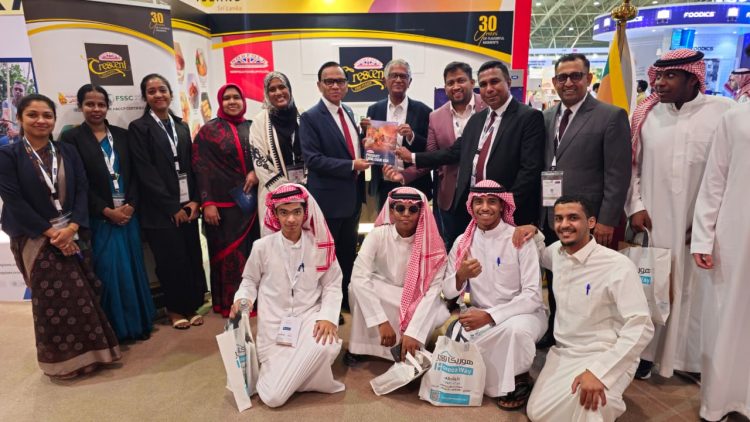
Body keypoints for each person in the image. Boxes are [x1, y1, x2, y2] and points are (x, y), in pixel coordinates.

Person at [626, 49, 736, 379]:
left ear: (693, 79)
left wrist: (710, 223)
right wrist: (636, 206)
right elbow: (632, 167)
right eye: (658, 76)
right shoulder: (647, 116)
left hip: (703, 227)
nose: (660, 83)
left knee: (698, 292)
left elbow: (731, 173)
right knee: (651, 286)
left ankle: (693, 360)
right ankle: (647, 353)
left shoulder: (724, 113)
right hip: (655, 223)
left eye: (670, 76)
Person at [0, 94, 121, 378]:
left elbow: (81, 189)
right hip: (35, 237)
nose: (41, 120)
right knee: (52, 300)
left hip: (73, 232)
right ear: (20, 118)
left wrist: (72, 228)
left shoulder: (67, 151)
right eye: (32, 115)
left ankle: (94, 355)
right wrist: (53, 233)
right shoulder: (8, 155)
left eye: (47, 115)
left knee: (84, 294)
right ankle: (62, 363)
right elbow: (14, 201)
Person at [516, 196, 653, 422]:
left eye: (573, 218)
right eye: (559, 218)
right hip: (565, 352)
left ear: (591, 222)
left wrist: (600, 372)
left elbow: (642, 325)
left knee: (589, 405)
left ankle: (608, 396)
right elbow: (538, 253)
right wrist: (534, 231)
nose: (564, 224)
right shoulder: (556, 252)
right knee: (538, 413)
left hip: (607, 352)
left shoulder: (617, 265)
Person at [537, 53, 631, 348]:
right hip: (552, 214)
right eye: (562, 77)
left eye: (575, 76)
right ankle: (557, 328)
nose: (568, 82)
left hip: (588, 219)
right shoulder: (546, 117)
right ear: (555, 81)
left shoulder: (610, 116)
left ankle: (589, 335)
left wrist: (606, 220)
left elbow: (618, 174)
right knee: (557, 275)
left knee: (589, 280)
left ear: (589, 79)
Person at [230, 183, 344, 408]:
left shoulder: (319, 244)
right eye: (284, 212)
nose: (291, 219)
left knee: (326, 345)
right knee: (274, 398)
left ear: (305, 212)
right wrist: (243, 299)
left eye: (296, 212)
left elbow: (332, 283)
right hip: (274, 323)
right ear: (275, 214)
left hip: (308, 317)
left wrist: (328, 316)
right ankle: (294, 379)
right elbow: (250, 281)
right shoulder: (262, 246)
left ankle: (288, 376)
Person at [392, 60, 545, 227]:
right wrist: (412, 157)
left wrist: (507, 205)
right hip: (472, 205)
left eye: (494, 81)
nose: (489, 89)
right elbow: (454, 152)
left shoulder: (529, 117)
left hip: (507, 211)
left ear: (508, 82)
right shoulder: (478, 119)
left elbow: (530, 170)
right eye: (484, 84)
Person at [60, 84, 155, 341]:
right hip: (100, 218)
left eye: (101, 104)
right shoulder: (71, 138)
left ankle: (140, 324)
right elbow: (78, 183)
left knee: (134, 268)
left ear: (107, 106)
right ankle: (117, 329)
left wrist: (131, 205)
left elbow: (136, 174)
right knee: (109, 272)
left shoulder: (123, 135)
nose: (96, 109)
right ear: (80, 106)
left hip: (128, 215)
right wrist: (105, 210)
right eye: (90, 104)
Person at [442, 180, 547, 410]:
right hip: (479, 315)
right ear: (471, 206)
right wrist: (460, 276)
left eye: (491, 201)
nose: (484, 207)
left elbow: (532, 297)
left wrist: (490, 316)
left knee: (515, 332)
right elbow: (448, 291)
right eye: (478, 202)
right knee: (457, 337)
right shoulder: (462, 242)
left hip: (523, 315)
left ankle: (518, 377)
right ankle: (501, 377)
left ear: (502, 206)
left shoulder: (519, 239)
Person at [129, 74, 207, 330]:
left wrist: (195, 201)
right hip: (160, 211)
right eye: (151, 91)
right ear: (145, 97)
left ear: (171, 94)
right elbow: (145, 172)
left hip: (188, 207)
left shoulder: (181, 126)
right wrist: (171, 207)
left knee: (191, 257)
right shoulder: (139, 128)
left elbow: (192, 167)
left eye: (162, 90)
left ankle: (192, 305)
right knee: (169, 262)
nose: (158, 95)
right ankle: (174, 309)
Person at [691, 104, 750, 422]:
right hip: (737, 236)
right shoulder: (736, 117)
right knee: (727, 318)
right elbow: (714, 180)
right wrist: (703, 237)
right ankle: (722, 402)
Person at [347, 187, 448, 364]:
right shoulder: (377, 235)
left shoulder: (434, 245)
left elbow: (433, 291)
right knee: (356, 288)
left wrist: (413, 332)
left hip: (416, 297)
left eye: (413, 209)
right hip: (382, 289)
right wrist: (381, 321)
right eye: (400, 208)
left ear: (421, 212)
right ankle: (360, 349)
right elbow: (358, 276)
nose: (406, 214)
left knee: (436, 310)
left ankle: (408, 345)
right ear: (392, 211)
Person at [300, 61, 369, 313]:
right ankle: (328, 307)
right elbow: (313, 159)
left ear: (347, 85)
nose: (335, 86)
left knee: (348, 252)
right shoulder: (310, 117)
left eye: (340, 81)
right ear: (319, 85)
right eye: (329, 81)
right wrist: (351, 165)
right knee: (326, 256)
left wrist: (367, 137)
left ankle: (344, 298)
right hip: (328, 200)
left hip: (352, 198)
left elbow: (351, 147)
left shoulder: (348, 111)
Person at [192, 83, 260, 318]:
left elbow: (263, 157)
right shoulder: (208, 131)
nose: (232, 102)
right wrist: (207, 203)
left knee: (253, 253)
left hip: (251, 205)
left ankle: (253, 302)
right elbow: (200, 168)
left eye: (236, 97)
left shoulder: (253, 127)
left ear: (243, 101)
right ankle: (229, 303)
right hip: (222, 208)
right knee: (229, 257)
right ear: (220, 102)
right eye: (227, 98)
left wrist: (256, 172)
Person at [426, 62, 486, 248]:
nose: (456, 86)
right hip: (451, 198)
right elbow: (432, 155)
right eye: (450, 83)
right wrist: (404, 172)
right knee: (454, 247)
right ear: (445, 87)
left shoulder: (488, 108)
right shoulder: (435, 116)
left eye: (461, 80)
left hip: (486, 195)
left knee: (488, 247)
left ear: (472, 82)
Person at [360, 59, 432, 209]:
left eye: (403, 76)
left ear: (409, 81)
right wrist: (365, 136)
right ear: (385, 80)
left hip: (415, 183)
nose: (398, 80)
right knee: (386, 223)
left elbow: (430, 148)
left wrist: (412, 136)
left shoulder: (424, 111)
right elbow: (369, 146)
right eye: (393, 75)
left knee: (417, 223)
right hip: (383, 183)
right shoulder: (374, 109)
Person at [250, 71, 305, 218]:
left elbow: (313, 151)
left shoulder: (303, 116)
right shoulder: (259, 122)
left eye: (282, 87)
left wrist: (304, 185)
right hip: (273, 195)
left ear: (289, 89)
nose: (278, 92)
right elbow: (259, 160)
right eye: (272, 89)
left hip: (305, 193)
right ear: (267, 94)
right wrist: (286, 191)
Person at [1, 81, 25, 145]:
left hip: (24, 135)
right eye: (15, 89)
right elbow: (5, 116)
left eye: (20, 90)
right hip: (11, 135)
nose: (17, 91)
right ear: (12, 90)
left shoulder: (27, 106)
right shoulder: (6, 102)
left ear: (24, 93)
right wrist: (6, 123)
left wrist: (16, 133)